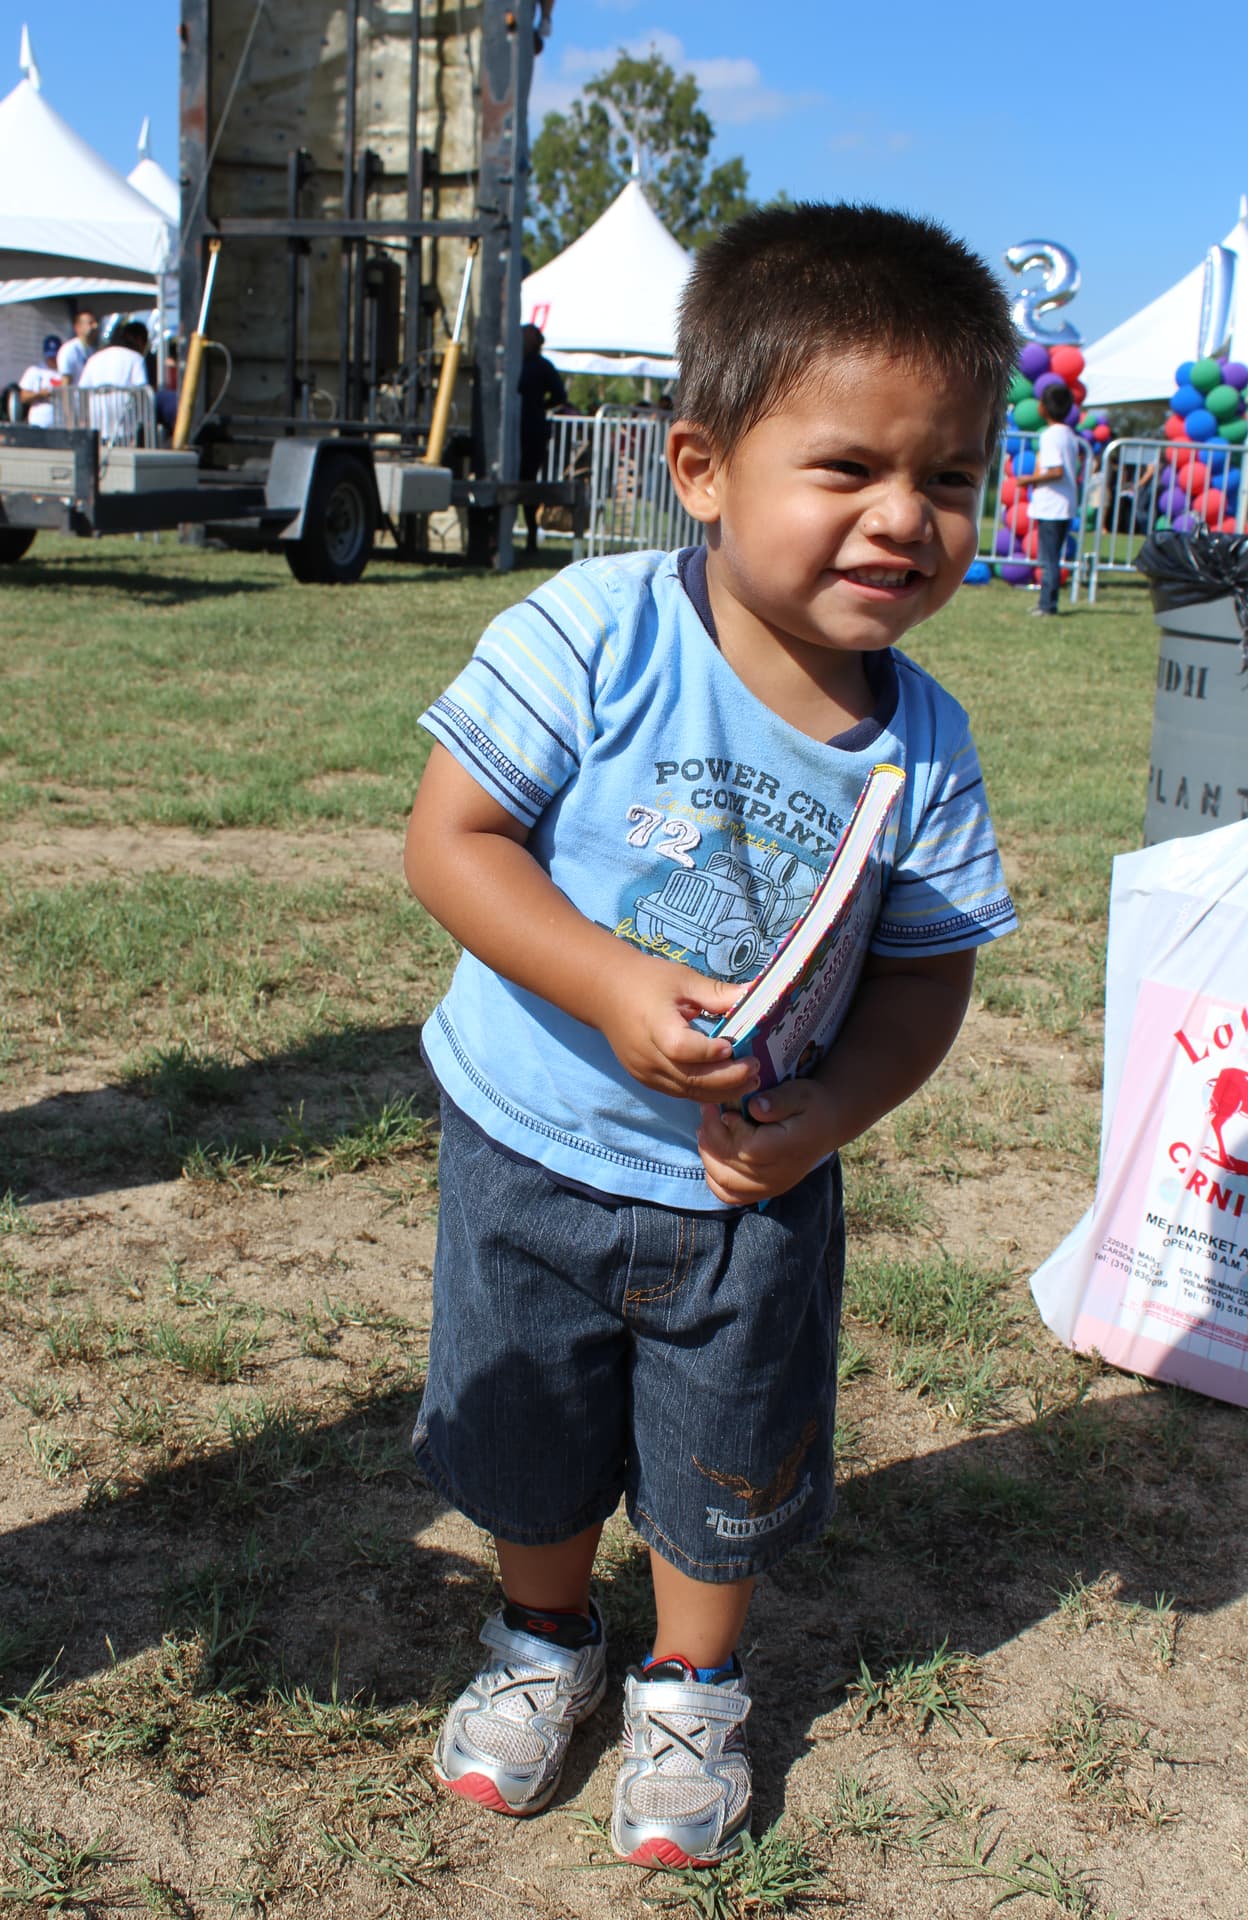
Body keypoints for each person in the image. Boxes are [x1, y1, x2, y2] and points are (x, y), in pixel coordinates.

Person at [403, 202, 1019, 1871]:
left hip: (749, 1186)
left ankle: (693, 1677)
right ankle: (542, 1641)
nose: (905, 517)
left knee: (722, 1455)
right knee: (521, 1432)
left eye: (950, 478)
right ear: (701, 467)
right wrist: (606, 981)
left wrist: (828, 1116)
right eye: (850, 469)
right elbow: (450, 840)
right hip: (530, 1141)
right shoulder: (592, 634)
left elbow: (923, 978)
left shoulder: (927, 752)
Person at [1012, 379, 1080, 615]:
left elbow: (1055, 471)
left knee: (1048, 558)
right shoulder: (1068, 434)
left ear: (1044, 408)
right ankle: (1048, 602)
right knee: (1052, 557)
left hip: (1053, 505)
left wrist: (1028, 480)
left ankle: (1047, 605)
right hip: (1064, 504)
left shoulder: (1051, 435)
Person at [518, 322, 568, 559]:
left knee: (528, 484)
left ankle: (530, 535)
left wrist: (538, 408)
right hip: (510, 430)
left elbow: (560, 395)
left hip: (531, 431)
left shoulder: (543, 367)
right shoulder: (510, 363)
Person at [78, 321, 151, 445]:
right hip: (124, 426)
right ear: (139, 340)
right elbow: (142, 391)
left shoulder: (94, 358)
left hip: (96, 424)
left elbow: (81, 391)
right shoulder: (136, 358)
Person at [17, 335, 64, 427]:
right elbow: (23, 397)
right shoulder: (35, 371)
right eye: (50, 356)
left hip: (60, 422)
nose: (52, 359)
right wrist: (40, 394)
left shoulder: (65, 372)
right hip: (39, 421)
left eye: (55, 356)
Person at [56, 308, 98, 385]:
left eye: (95, 322)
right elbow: (65, 382)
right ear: (78, 327)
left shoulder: (93, 350)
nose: (95, 326)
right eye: (91, 323)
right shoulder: (69, 350)